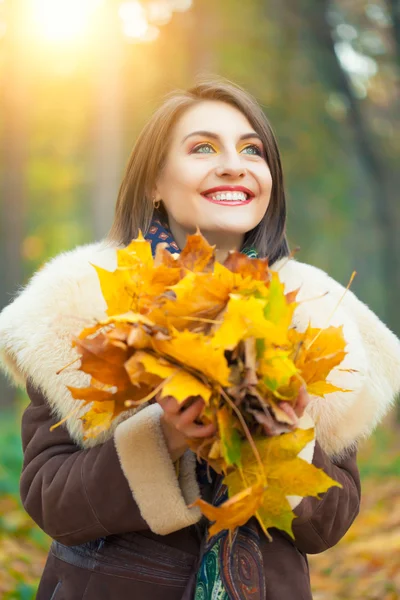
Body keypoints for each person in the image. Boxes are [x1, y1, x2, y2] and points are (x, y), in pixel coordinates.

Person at [0, 77, 399, 600]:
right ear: (154, 184)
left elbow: (326, 525)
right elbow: (50, 499)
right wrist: (162, 440)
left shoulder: (319, 317)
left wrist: (283, 440)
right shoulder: (81, 308)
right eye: (203, 147)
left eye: (252, 150)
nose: (234, 163)